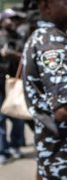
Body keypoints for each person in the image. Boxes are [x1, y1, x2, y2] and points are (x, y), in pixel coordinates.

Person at [22, 0, 67, 179]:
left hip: (56, 150)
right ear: (45, 5)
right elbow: (64, 110)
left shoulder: (51, 37)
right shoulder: (53, 45)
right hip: (64, 154)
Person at [0, 9, 27, 164]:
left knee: (17, 116)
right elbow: (4, 53)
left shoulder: (18, 36)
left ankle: (16, 145)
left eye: (13, 19)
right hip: (0, 83)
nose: (11, 22)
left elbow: (22, 54)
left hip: (15, 82)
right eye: (8, 19)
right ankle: (3, 151)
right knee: (1, 119)